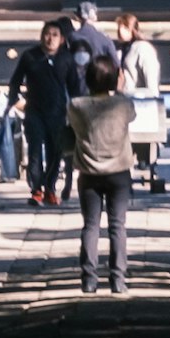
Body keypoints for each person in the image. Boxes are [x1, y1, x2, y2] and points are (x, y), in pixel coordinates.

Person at [69, 26, 140, 293]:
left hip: (88, 172)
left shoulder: (76, 106)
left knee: (90, 226)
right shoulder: (122, 105)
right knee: (117, 226)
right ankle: (118, 280)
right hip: (119, 171)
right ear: (113, 79)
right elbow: (131, 114)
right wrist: (119, 90)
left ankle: (88, 280)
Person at [14, 10, 77, 211]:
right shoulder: (30, 56)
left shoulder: (67, 58)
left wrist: (76, 108)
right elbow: (16, 79)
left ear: (62, 39)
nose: (50, 38)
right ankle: (36, 188)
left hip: (57, 112)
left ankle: (50, 187)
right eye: (47, 34)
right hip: (34, 110)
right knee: (34, 151)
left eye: (55, 35)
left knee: (55, 152)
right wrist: (14, 98)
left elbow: (74, 85)